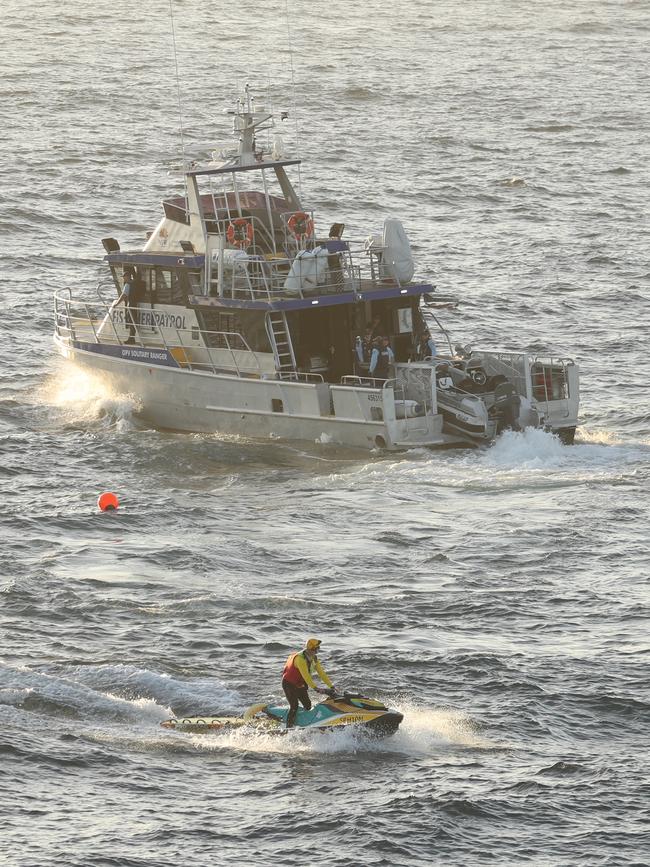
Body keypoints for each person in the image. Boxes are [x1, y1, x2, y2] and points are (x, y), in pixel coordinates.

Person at [282, 638, 335, 729]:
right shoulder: (300, 659)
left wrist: (331, 686)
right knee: (294, 706)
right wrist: (315, 688)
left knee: (308, 705)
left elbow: (321, 673)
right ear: (311, 649)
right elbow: (306, 677)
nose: (317, 651)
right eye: (316, 649)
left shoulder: (314, 658)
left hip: (299, 684)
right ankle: (288, 728)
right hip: (289, 684)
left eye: (318, 649)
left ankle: (305, 723)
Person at [117, 267, 137, 345]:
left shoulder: (128, 285)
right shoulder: (134, 283)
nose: (123, 279)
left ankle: (131, 339)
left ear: (128, 277)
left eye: (124, 277)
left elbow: (124, 295)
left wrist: (117, 304)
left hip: (131, 304)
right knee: (133, 321)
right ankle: (131, 338)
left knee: (131, 321)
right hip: (135, 304)